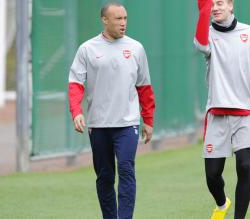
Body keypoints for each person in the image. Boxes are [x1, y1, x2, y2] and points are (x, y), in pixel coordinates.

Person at [194, 0, 250, 218]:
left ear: (231, 5)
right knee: (212, 175)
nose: (215, 7)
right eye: (211, 4)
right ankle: (222, 204)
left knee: (244, 166)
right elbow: (199, 43)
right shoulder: (208, 36)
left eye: (220, 3)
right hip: (217, 114)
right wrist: (203, 7)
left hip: (246, 113)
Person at [68, 2, 155, 219]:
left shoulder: (136, 48)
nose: (123, 23)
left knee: (126, 170)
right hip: (98, 125)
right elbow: (75, 83)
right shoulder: (87, 49)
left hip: (127, 124)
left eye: (125, 18)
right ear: (104, 20)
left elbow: (144, 87)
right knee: (105, 177)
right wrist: (76, 111)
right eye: (118, 19)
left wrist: (148, 119)